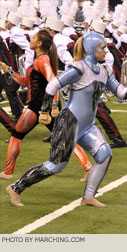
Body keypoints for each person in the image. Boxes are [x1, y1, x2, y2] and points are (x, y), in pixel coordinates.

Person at [5, 32, 127, 207]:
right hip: (69, 122)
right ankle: (16, 187)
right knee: (56, 165)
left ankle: (88, 197)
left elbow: (121, 92)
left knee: (105, 154)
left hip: (88, 125)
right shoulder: (79, 68)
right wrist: (45, 110)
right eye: (102, 48)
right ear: (91, 50)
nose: (106, 51)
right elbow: (53, 85)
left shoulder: (105, 70)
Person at [0, 29, 92, 181]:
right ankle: (88, 167)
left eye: (34, 37)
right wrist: (8, 70)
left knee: (16, 136)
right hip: (42, 107)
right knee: (65, 138)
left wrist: (53, 106)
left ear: (39, 43)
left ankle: (8, 172)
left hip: (38, 106)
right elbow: (25, 82)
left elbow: (53, 82)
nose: (31, 39)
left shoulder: (42, 60)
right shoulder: (39, 59)